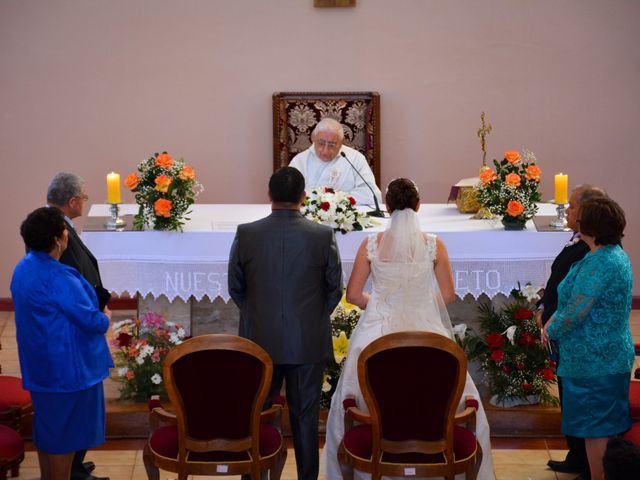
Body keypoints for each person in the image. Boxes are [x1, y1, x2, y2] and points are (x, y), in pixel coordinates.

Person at [324, 178, 495, 480]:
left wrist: (380, 304)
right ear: (419, 205)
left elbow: (351, 295)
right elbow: (447, 295)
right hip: (428, 332)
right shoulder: (434, 244)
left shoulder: (371, 244)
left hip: (376, 336)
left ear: (387, 207)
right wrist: (419, 304)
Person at [228, 166, 343, 480]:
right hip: (306, 341)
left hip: (258, 342)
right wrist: (310, 317)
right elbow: (334, 288)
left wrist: (257, 316)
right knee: (305, 418)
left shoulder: (247, 233)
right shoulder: (322, 235)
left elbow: (235, 287)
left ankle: (255, 475)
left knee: (258, 415)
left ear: (269, 196)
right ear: (303, 197)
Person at [10, 207, 113, 480]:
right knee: (65, 441)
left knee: (49, 435)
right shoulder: (59, 277)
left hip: (40, 366)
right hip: (68, 372)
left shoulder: (23, 268)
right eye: (64, 230)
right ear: (58, 239)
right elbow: (93, 321)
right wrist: (106, 315)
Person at [544, 197, 634, 480]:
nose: (576, 220)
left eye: (579, 217)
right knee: (600, 429)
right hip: (607, 356)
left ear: (590, 225)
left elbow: (575, 310)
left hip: (594, 362)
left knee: (596, 432)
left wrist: (549, 330)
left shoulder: (600, 263)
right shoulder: (613, 255)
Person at [535, 184, 606, 480]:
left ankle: (587, 463)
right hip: (563, 335)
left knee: (579, 401)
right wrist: (543, 305)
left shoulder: (593, 252)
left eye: (573, 206)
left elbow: (578, 299)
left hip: (578, 338)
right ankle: (576, 454)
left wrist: (551, 322)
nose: (568, 210)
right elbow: (558, 281)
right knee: (569, 397)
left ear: (586, 213)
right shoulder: (579, 242)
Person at [47, 172, 111, 480]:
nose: (84, 202)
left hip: (80, 325)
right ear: (72, 201)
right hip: (76, 333)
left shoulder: (56, 225)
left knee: (81, 405)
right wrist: (99, 311)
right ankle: (71, 470)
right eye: (83, 198)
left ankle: (74, 464)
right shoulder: (55, 231)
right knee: (77, 406)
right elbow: (73, 277)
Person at [289, 117, 382, 206]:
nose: (325, 151)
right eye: (321, 143)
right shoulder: (300, 161)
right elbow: (289, 195)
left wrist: (338, 200)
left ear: (342, 142)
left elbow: (372, 195)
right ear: (313, 138)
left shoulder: (355, 159)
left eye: (332, 145)